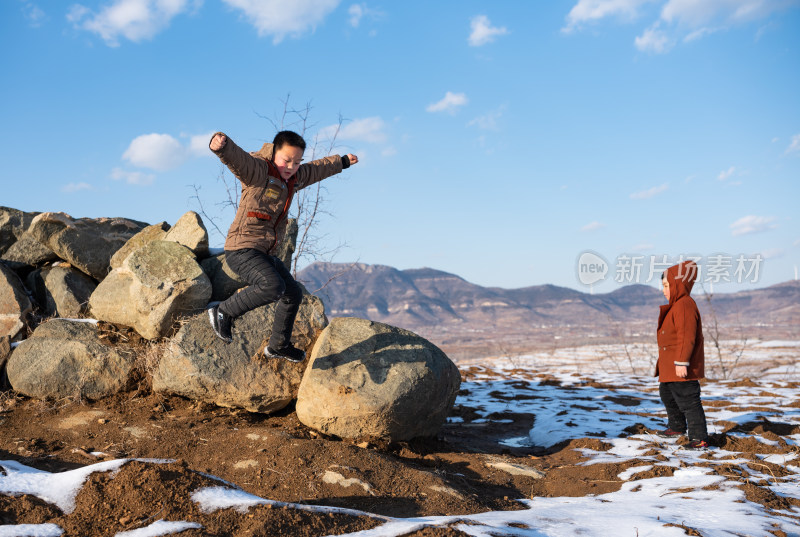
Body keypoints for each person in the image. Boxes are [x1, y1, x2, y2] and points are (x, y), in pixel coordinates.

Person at [207, 130, 358, 362]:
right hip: (242, 248)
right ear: (274, 152)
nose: (290, 166)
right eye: (286, 160)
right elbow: (237, 160)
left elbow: (316, 169)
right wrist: (221, 147)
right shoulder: (258, 170)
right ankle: (223, 311)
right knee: (272, 286)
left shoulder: (294, 177)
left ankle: (278, 346)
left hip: (265, 252)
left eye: (297, 162)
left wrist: (342, 162)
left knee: (292, 293)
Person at [654, 260, 709, 449]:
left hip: (680, 365)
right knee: (667, 394)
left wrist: (682, 361)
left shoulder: (684, 305)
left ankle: (698, 437)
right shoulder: (677, 305)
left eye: (666, 286)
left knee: (688, 400)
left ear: (678, 284)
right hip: (670, 366)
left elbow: (687, 336)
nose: (664, 291)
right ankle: (677, 427)